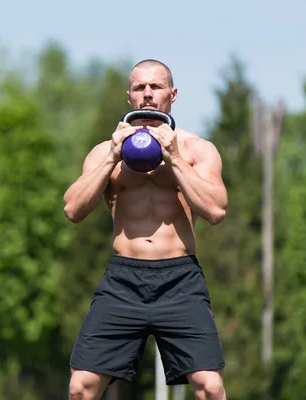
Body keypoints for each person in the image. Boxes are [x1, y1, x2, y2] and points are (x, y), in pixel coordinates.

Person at [63, 59, 229, 400]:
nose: (148, 95)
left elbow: (215, 210)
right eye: (140, 88)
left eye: (156, 87)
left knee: (210, 387)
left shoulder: (197, 150)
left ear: (173, 94)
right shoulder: (104, 152)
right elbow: (72, 209)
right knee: (81, 387)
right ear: (129, 97)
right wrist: (111, 157)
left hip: (179, 280)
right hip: (123, 279)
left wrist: (174, 159)